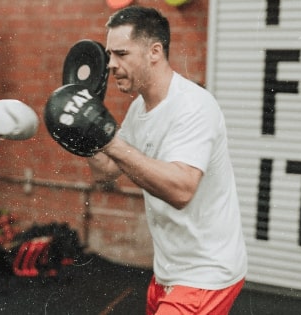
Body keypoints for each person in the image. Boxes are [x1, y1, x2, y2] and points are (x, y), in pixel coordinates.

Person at [88, 6, 247, 315]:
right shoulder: (139, 109)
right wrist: (86, 139)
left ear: (155, 52)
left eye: (121, 54)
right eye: (109, 55)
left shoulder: (193, 106)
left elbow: (181, 190)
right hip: (169, 271)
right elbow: (106, 172)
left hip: (206, 272)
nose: (111, 65)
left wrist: (108, 141)